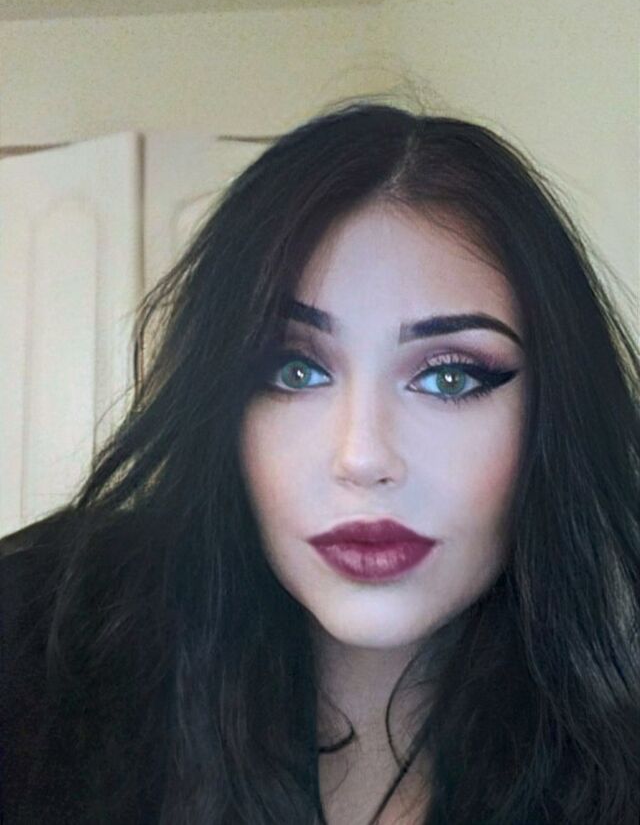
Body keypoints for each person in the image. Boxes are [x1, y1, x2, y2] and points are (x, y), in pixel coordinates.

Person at [0, 102, 638, 825]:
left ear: (553, 413)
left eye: (449, 377)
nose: (362, 457)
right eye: (295, 370)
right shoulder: (39, 650)